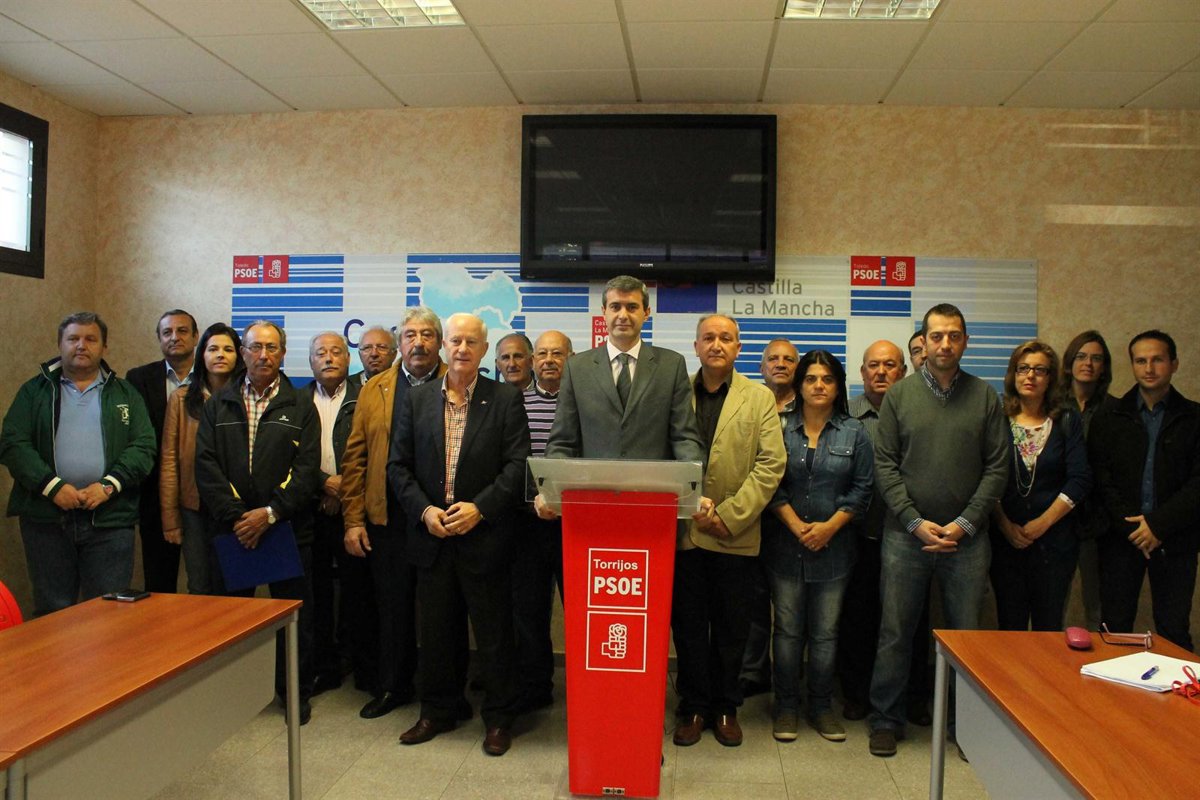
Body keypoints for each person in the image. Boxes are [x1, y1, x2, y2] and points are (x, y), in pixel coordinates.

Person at [867, 303, 1009, 757]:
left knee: (966, 636)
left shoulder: (985, 397)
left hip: (967, 541)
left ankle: (963, 725)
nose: (945, 344)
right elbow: (885, 465)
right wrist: (914, 521)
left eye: (954, 335)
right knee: (895, 632)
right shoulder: (899, 396)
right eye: (936, 336)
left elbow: (997, 467)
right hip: (904, 536)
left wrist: (964, 524)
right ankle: (885, 720)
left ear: (965, 341)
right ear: (923, 343)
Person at [389, 313, 531, 756]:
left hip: (484, 537)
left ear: (484, 349)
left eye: (472, 342)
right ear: (443, 346)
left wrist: (480, 509)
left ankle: (499, 718)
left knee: (494, 636)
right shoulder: (417, 399)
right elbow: (398, 466)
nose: (463, 349)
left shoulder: (505, 398)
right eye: (455, 341)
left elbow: (517, 467)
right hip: (433, 536)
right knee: (435, 634)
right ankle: (437, 711)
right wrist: (424, 511)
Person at [194, 320, 321, 724]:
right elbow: (206, 465)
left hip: (285, 527)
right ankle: (234, 696)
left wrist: (269, 514)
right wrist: (239, 518)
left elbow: (307, 469)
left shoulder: (301, 404)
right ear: (243, 353)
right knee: (231, 620)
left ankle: (294, 694)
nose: (263, 355)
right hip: (234, 531)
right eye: (254, 347)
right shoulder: (219, 403)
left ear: (282, 353)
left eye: (271, 348)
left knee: (294, 620)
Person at [671, 315, 785, 748]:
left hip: (735, 534)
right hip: (683, 533)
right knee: (688, 627)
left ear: (738, 348)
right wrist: (690, 507)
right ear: (696, 346)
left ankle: (725, 707)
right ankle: (693, 707)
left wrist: (729, 515)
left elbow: (771, 464)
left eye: (726, 338)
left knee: (733, 628)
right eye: (709, 338)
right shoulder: (676, 391)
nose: (716, 344)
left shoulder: (759, 397)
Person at [1, 312, 156, 617]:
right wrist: (52, 487)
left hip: (110, 519)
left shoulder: (126, 394)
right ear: (60, 344)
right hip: (47, 519)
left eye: (90, 339)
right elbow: (12, 443)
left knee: (109, 612)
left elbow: (144, 446)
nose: (81, 345)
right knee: (53, 612)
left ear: (104, 347)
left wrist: (108, 486)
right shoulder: (34, 392)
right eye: (73, 339)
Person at [341, 306, 449, 720]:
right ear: (399, 343)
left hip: (440, 518)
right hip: (387, 518)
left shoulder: (457, 380)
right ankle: (394, 686)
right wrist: (353, 519)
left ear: (439, 342)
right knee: (393, 608)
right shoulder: (376, 388)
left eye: (427, 335)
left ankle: (443, 693)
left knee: (441, 612)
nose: (418, 343)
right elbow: (355, 457)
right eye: (410, 335)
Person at [763, 349, 872, 744]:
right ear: (799, 385)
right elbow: (769, 483)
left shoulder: (854, 432)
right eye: (811, 379)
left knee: (825, 634)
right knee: (788, 632)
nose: (819, 386)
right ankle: (786, 707)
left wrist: (829, 528)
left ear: (838, 386)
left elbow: (863, 489)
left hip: (835, 551)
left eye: (827, 379)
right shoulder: (777, 428)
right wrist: (797, 526)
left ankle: (821, 707)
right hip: (784, 547)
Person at [1090, 330, 1200, 651]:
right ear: (1133, 365)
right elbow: (1101, 479)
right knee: (1115, 627)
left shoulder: (1194, 417)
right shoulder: (1110, 416)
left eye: (1157, 360)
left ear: (1174, 364)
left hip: (1175, 539)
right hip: (1121, 539)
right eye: (1141, 361)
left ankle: (1177, 685)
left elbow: (1197, 483)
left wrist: (1157, 525)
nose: (1149, 368)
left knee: (1174, 629)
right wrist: (1133, 528)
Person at [839, 339, 928, 723]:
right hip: (857, 535)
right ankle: (856, 694)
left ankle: (913, 697)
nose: (881, 372)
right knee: (857, 619)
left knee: (911, 622)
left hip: (909, 535)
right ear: (862, 372)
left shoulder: (918, 411)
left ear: (903, 372)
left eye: (890, 365)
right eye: (873, 365)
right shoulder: (846, 414)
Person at [540, 274, 704, 467]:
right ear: (604, 312)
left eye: (632, 307)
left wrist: (692, 479)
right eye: (615, 307)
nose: (623, 315)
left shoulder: (671, 366)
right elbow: (562, 442)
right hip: (594, 484)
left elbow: (684, 438)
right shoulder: (576, 368)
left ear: (646, 312)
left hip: (652, 484)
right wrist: (554, 481)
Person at [991, 341, 1091, 631]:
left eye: (1040, 370)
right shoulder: (997, 420)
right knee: (1010, 628)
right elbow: (986, 477)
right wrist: (1005, 525)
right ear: (1013, 374)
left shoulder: (1066, 420)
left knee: (1048, 629)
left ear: (1051, 378)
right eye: (1023, 368)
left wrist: (1043, 523)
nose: (1030, 376)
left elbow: (1080, 478)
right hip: (1006, 543)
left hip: (1054, 545)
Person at [306, 332, 372, 696]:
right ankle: (324, 668)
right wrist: (323, 484)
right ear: (311, 360)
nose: (329, 358)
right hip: (311, 508)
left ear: (349, 359)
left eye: (336, 352)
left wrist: (343, 490)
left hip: (355, 510)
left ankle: (362, 667)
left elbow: (375, 451)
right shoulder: (297, 401)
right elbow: (289, 454)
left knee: (358, 592)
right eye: (321, 353)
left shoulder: (366, 397)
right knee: (316, 593)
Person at [511, 329, 573, 713]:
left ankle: (586, 686)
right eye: (542, 354)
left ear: (572, 359)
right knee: (529, 610)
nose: (549, 361)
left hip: (574, 522)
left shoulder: (583, 401)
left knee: (580, 610)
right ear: (533, 361)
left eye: (558, 354)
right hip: (527, 523)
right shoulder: (514, 402)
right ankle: (535, 687)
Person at [159, 323, 244, 595]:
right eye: (213, 349)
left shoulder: (247, 397)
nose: (220, 355)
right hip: (194, 507)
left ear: (239, 356)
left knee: (235, 585)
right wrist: (170, 518)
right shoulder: (181, 399)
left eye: (228, 349)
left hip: (236, 505)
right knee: (199, 585)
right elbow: (169, 461)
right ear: (202, 355)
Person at [739, 338, 800, 699]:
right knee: (754, 600)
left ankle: (791, 679)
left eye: (788, 359)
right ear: (761, 367)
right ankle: (753, 671)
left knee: (791, 608)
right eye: (773, 359)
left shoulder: (809, 406)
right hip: (751, 516)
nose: (780, 364)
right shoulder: (749, 402)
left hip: (795, 521)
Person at [126, 309, 199, 593]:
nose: (174, 337)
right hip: (154, 493)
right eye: (167, 332)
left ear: (196, 337)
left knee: (204, 582)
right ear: (159, 338)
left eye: (182, 331)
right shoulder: (138, 378)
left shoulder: (212, 375)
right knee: (159, 583)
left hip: (203, 492)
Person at [1060, 330, 1116, 631]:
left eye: (1096, 358)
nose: (1088, 364)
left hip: (1099, 519)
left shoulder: (1116, 409)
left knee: (1098, 607)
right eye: (1081, 356)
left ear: (1104, 366)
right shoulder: (1052, 406)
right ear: (1069, 363)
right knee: (1054, 603)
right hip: (1057, 516)